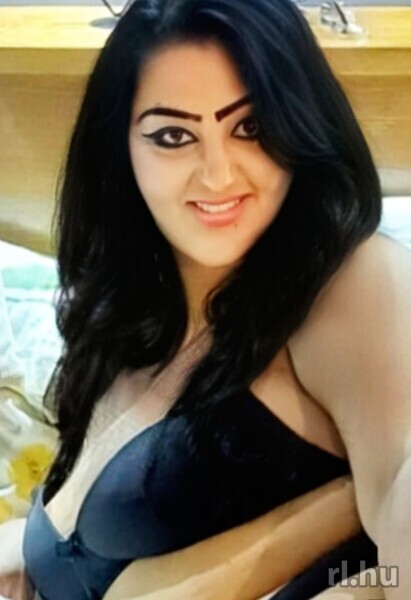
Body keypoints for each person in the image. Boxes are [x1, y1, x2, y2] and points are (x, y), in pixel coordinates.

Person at [1, 0, 410, 598]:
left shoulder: (350, 280)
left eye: (250, 127)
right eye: (173, 136)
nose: (218, 175)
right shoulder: (121, 313)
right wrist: (28, 546)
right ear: (122, 149)